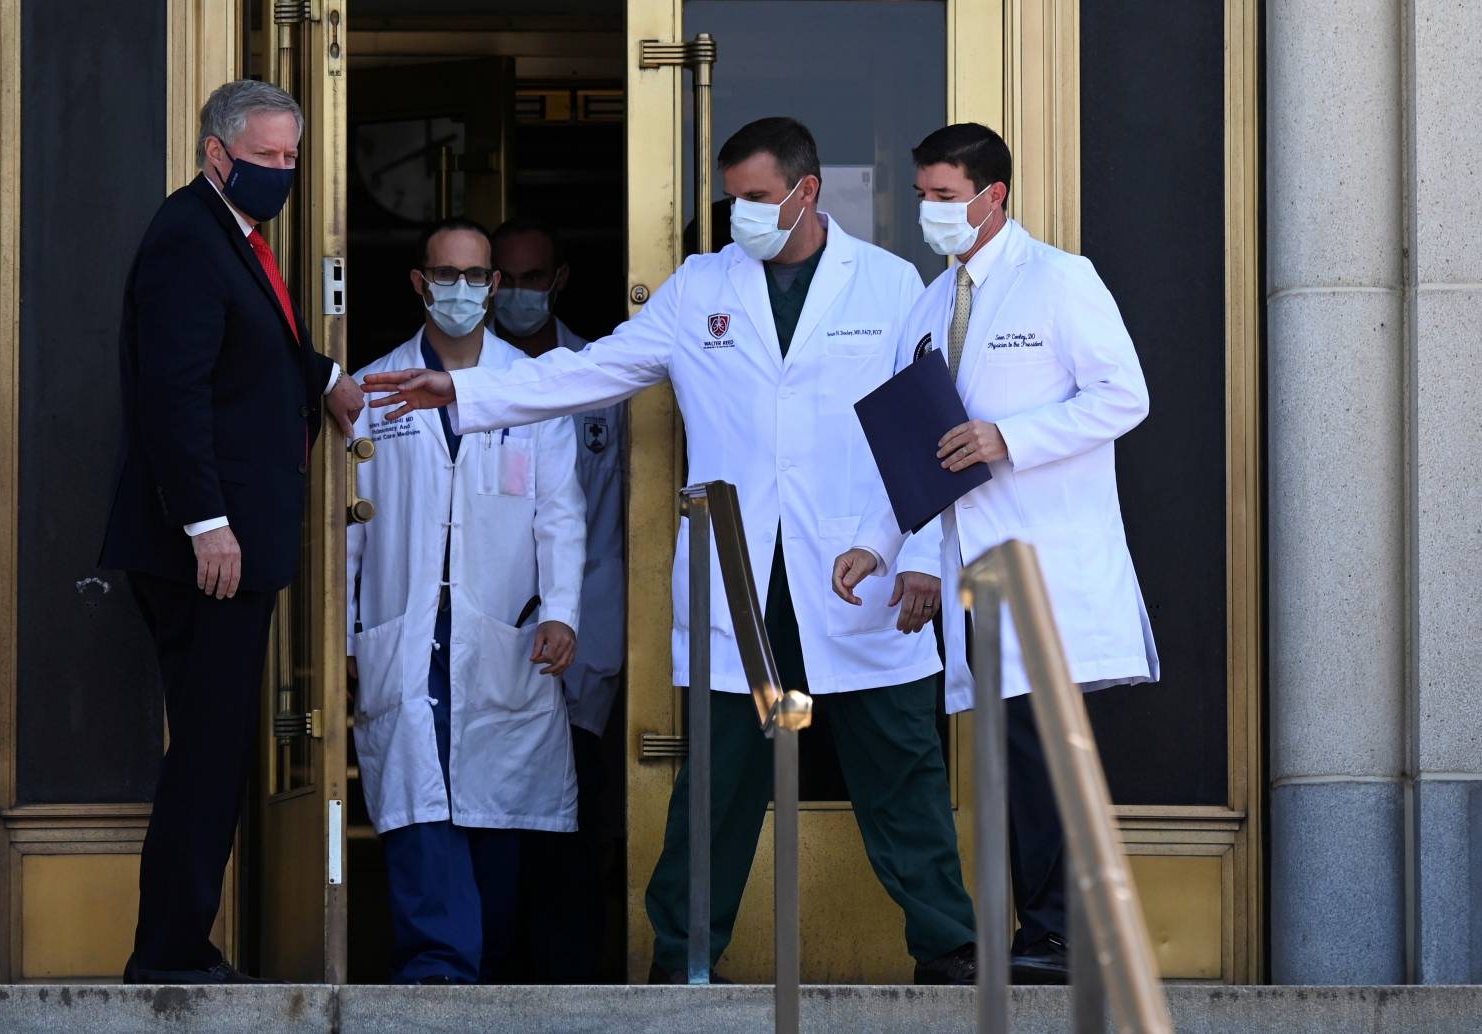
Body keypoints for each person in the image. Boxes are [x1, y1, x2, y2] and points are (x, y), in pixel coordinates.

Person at [363, 117, 981, 985]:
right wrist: (463, 388)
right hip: (736, 567)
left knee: (900, 761)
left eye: (759, 200)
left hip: (857, 569)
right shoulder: (699, 290)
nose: (743, 217)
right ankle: (686, 959)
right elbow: (587, 372)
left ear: (807, 192)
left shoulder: (887, 284)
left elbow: (926, 427)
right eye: (732, 201)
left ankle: (948, 946)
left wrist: (916, 552)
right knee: (720, 779)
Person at [832, 122, 1160, 985]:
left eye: (945, 197)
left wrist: (1008, 437)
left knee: (1039, 743)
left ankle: (1055, 934)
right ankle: (1041, 930)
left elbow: (1124, 397)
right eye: (924, 197)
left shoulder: (1060, 280)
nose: (931, 212)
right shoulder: (930, 303)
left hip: (1045, 557)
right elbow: (913, 440)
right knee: (1009, 748)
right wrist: (879, 544)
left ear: (993, 197)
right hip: (970, 566)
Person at [100, 79, 365, 984]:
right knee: (209, 754)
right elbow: (174, 392)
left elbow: (255, 344)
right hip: (203, 553)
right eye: (266, 159)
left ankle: (175, 947)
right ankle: (171, 956)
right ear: (218, 155)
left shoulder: (228, 236)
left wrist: (323, 374)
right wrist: (207, 524)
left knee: (216, 748)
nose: (282, 173)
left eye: (292, 157)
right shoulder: (187, 237)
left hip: (228, 549)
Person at [346, 217, 586, 985]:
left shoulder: (530, 386)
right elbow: (351, 526)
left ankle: (487, 975)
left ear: (492, 284)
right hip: (409, 628)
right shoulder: (375, 390)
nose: (463, 290)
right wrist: (345, 634)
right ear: (420, 283)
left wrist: (562, 610)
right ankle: (437, 976)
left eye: (477, 276)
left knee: (494, 811)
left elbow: (561, 510)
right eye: (445, 275)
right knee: (421, 808)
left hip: (500, 630)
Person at [490, 218, 627, 982]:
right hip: (497, 633)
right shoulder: (481, 378)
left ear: (561, 280)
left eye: (530, 278)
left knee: (578, 823)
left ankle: (572, 980)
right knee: (503, 817)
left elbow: (618, 516)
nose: (514, 295)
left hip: (590, 638)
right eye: (501, 280)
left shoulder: (601, 373)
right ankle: (500, 982)